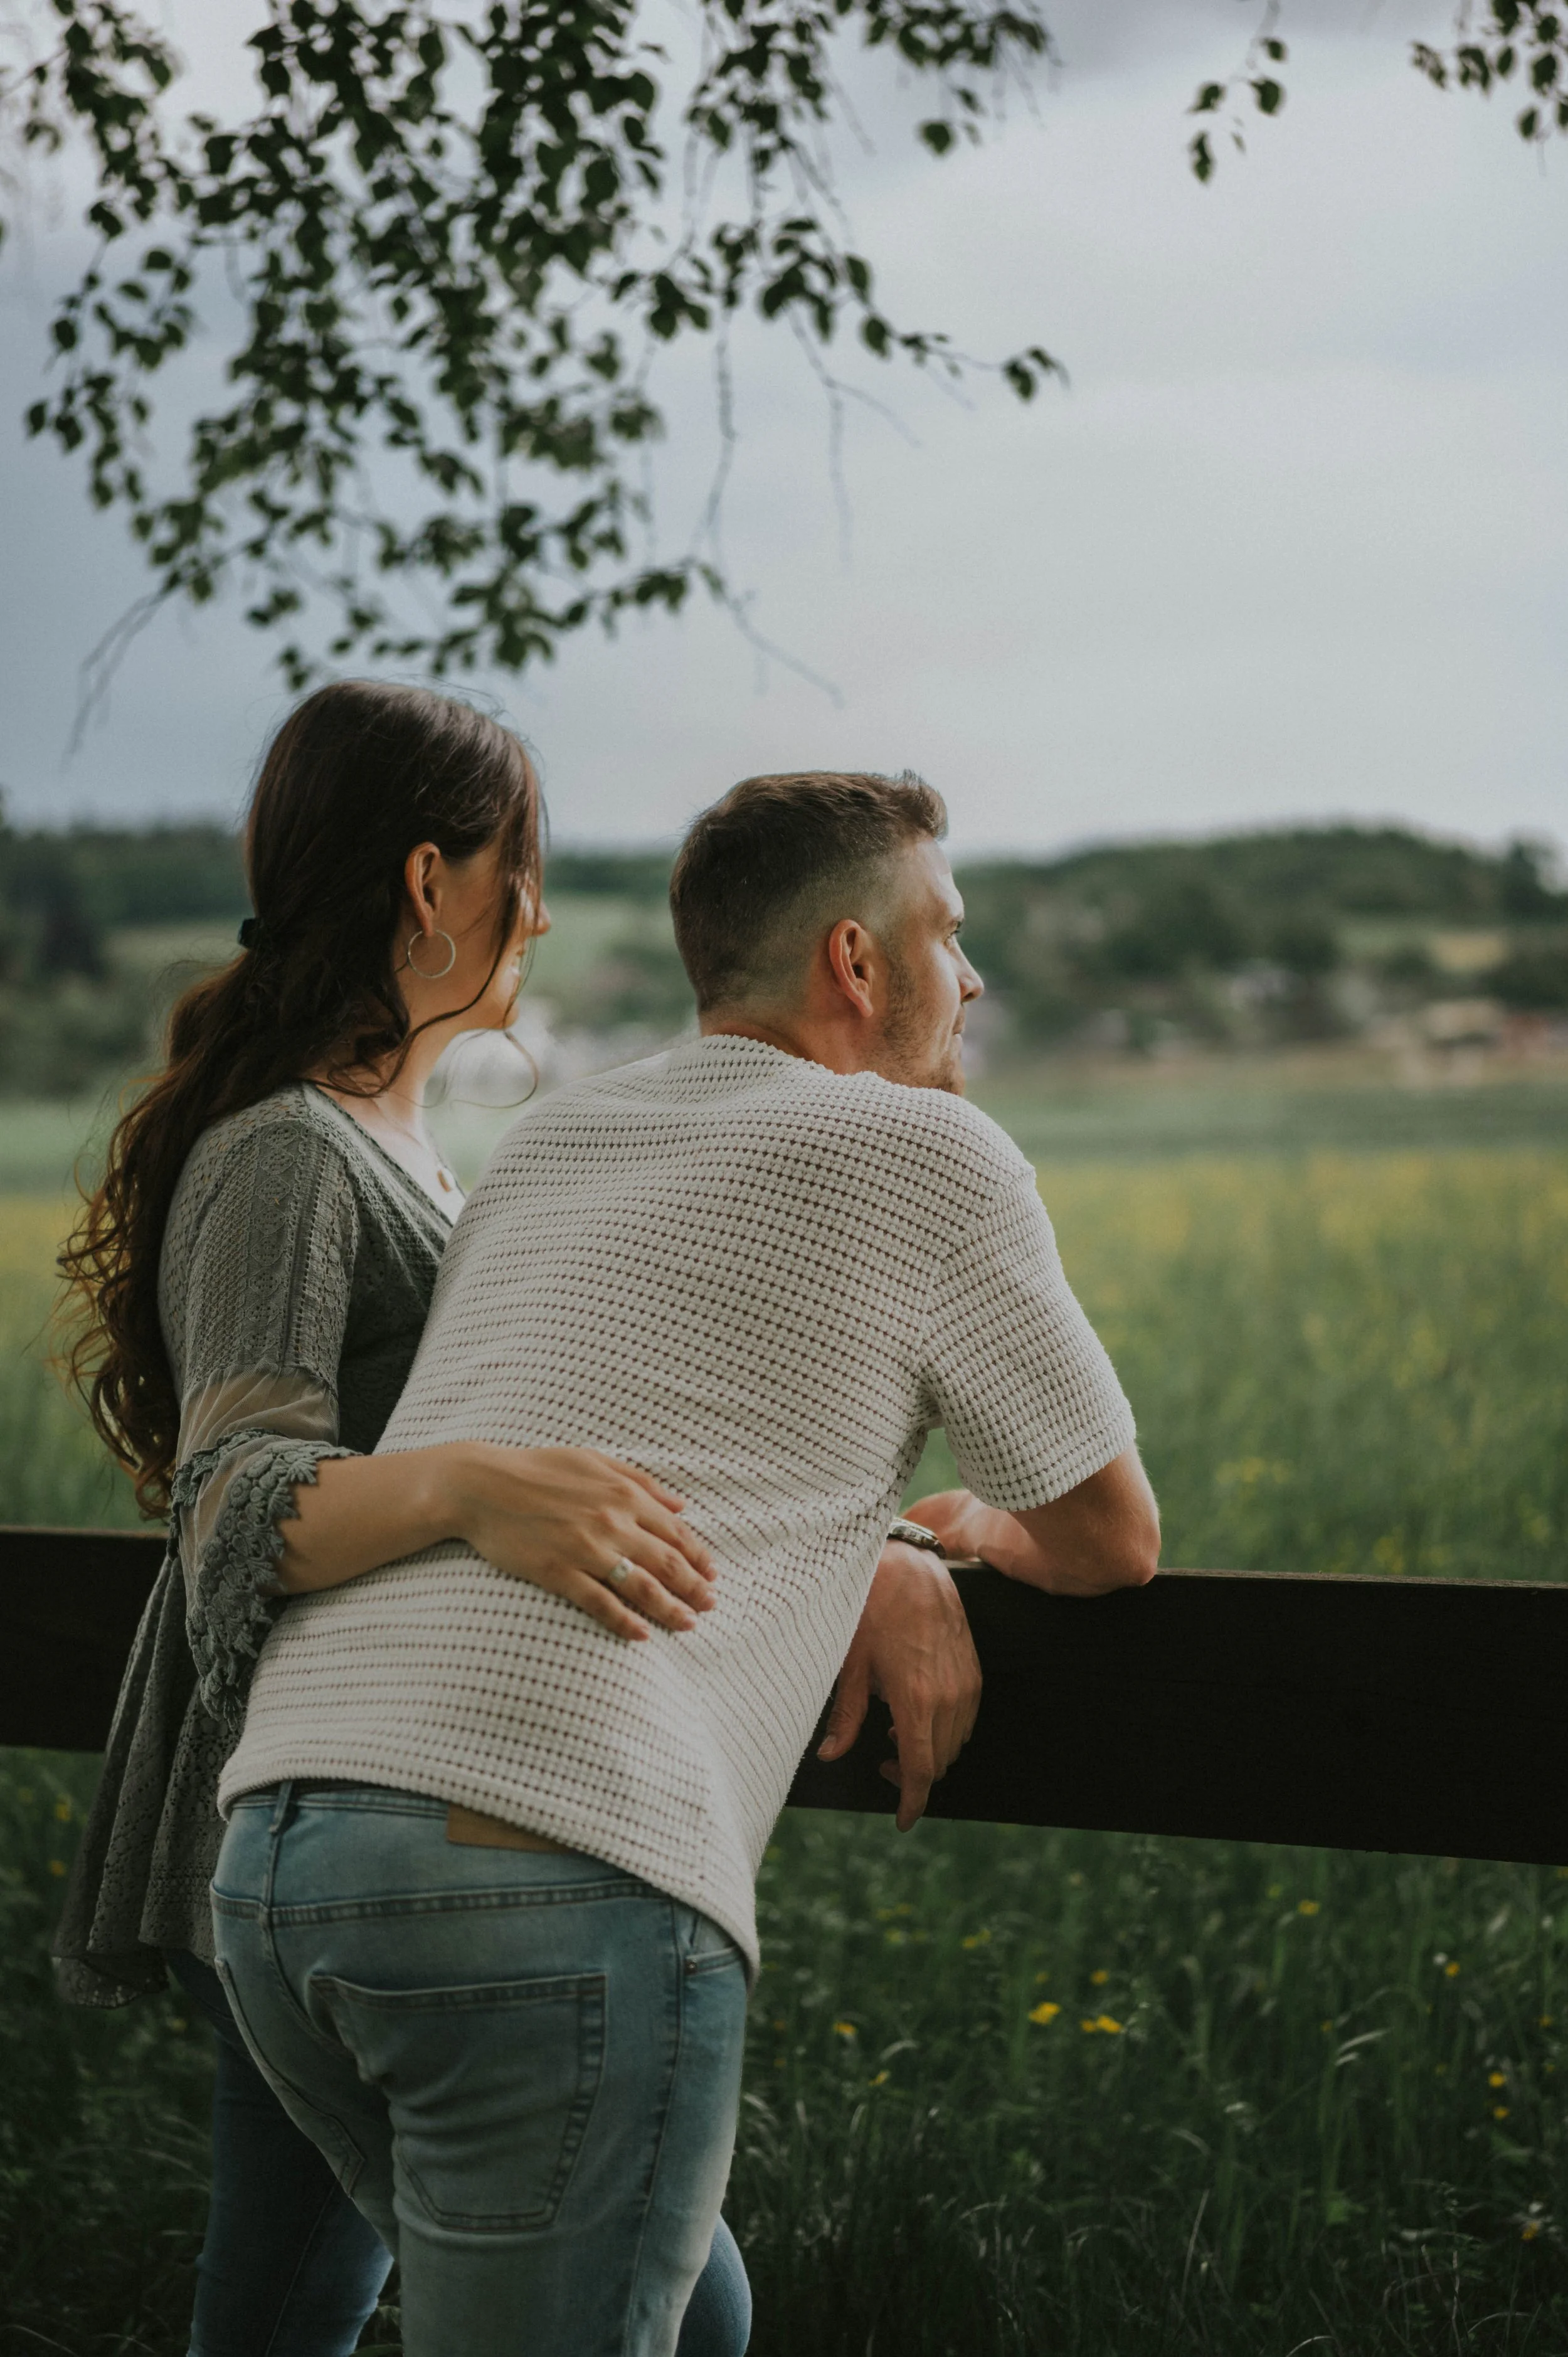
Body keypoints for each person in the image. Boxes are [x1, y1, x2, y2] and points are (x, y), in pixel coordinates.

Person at [56, 693, 980, 2356]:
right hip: (287, 1795)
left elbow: (617, 1460)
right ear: (434, 884)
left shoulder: (407, 1151)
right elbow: (231, 1507)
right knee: (305, 2308)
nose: (541, 909)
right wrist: (476, 1486)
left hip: (364, 1798)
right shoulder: (285, 1156)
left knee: (642, 2303)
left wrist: (878, 1554)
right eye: (522, 865)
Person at [209, 765, 1160, 2357]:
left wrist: (858, 1544)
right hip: (546, 1870)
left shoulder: (547, 1143)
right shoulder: (930, 1152)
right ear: (857, 963)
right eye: (950, 929)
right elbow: (1105, 1534)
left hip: (281, 1864)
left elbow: (636, 1421)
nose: (971, 975)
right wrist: (950, 1530)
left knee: (690, 2315)